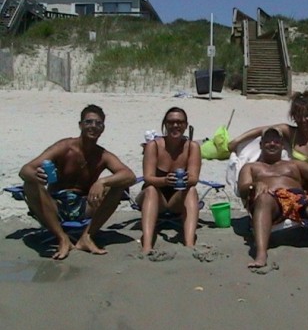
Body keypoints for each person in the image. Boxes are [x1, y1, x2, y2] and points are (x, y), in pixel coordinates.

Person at [19, 104, 136, 260]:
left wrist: (103, 182)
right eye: (88, 122)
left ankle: (86, 237)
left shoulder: (102, 155)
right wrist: (36, 176)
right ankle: (62, 238)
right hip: (55, 204)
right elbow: (25, 170)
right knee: (29, 184)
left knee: (119, 186)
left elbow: (130, 176)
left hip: (85, 204)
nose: (93, 126)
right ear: (80, 125)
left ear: (103, 128)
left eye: (98, 123)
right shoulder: (64, 147)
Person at [229, 89, 308, 232]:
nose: (303, 120)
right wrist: (237, 141)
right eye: (298, 116)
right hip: (307, 179)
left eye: (307, 115)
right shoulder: (291, 132)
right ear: (293, 117)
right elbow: (263, 130)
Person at [238, 127, 308, 268]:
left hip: (298, 200)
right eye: (268, 141)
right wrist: (255, 185)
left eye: (276, 141)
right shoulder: (251, 167)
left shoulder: (293, 164)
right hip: (272, 201)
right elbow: (242, 189)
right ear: (261, 145)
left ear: (282, 145)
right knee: (263, 199)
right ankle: (261, 255)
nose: (272, 144)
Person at [137, 107, 201, 255]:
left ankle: (189, 244)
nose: (175, 125)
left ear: (186, 125)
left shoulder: (192, 147)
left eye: (179, 122)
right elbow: (148, 178)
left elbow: (194, 179)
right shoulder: (154, 146)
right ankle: (147, 246)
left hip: (176, 199)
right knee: (151, 189)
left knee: (191, 190)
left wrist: (185, 180)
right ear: (165, 125)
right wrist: (165, 180)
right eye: (171, 122)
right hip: (153, 197)